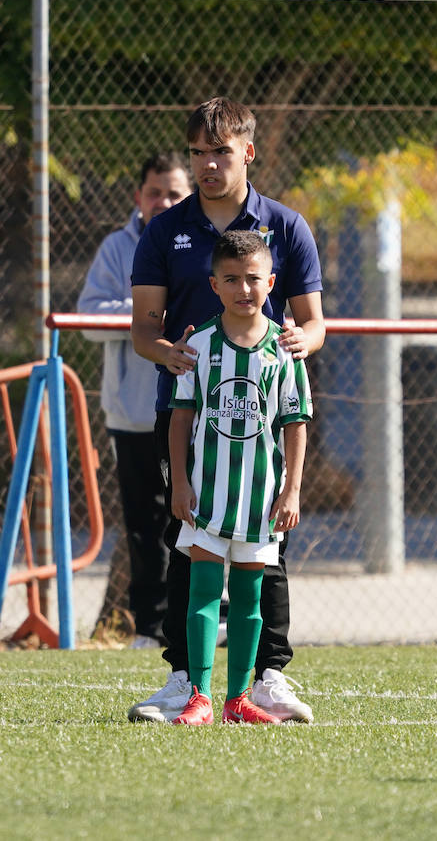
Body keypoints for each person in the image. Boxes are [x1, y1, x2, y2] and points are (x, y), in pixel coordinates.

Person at [129, 96, 325, 722]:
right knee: (186, 540)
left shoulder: (287, 226)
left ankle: (267, 677)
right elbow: (144, 330)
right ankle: (186, 680)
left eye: (221, 151)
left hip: (262, 417)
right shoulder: (165, 230)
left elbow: (312, 324)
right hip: (190, 410)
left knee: (270, 539)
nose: (209, 165)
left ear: (248, 150)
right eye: (199, 153)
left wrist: (303, 340)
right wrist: (172, 354)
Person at [168, 231, 311, 725]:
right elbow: (181, 418)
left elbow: (295, 423)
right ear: (214, 284)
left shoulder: (284, 349)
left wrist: (291, 488)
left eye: (253, 279)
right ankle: (200, 695)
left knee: (250, 600)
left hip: (261, 496)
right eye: (231, 279)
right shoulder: (201, 345)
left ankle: (238, 700)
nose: (243, 289)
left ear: (271, 283)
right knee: (204, 591)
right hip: (208, 494)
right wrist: (181, 484)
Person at [77, 151, 192, 649]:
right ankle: (149, 627)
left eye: (174, 193)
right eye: (155, 192)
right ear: (138, 197)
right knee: (144, 527)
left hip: (194, 414)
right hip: (135, 416)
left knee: (196, 520)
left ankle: (204, 619)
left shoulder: (200, 242)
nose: (164, 201)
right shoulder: (117, 248)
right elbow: (88, 316)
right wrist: (145, 312)